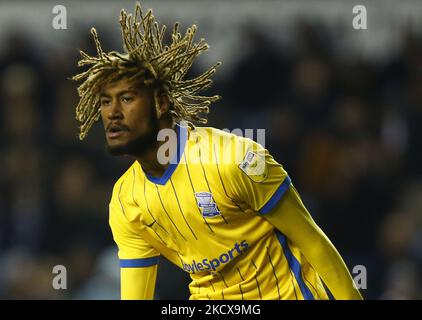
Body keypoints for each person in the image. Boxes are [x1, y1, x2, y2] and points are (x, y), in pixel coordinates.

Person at [72, 3, 363, 300]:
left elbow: (313, 241)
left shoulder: (235, 159)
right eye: (106, 102)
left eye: (127, 98)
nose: (112, 113)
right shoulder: (126, 201)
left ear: (160, 103)